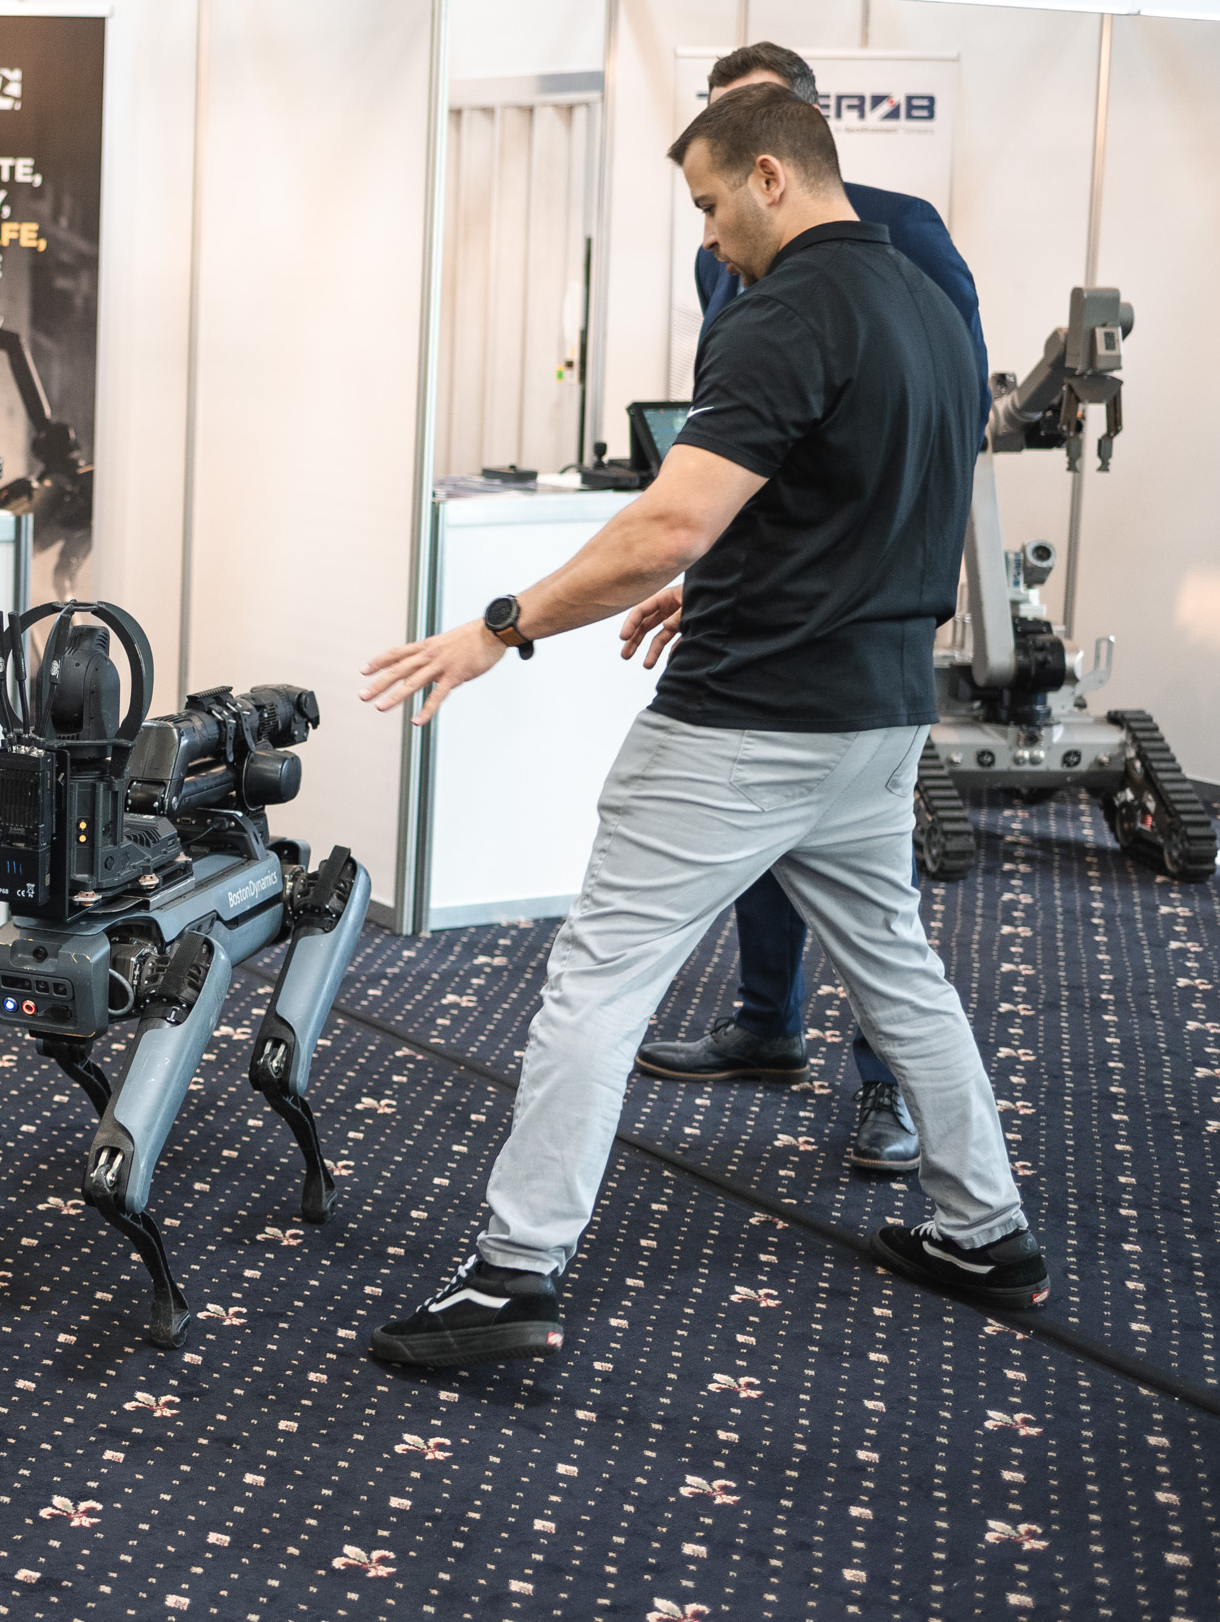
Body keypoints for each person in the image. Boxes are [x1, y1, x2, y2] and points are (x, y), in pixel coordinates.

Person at [356, 85, 1044, 1370]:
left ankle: (514, 1270)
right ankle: (986, 1226)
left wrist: (499, 626)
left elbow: (666, 522)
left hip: (745, 725)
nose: (711, 238)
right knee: (897, 969)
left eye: (713, 204)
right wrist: (731, 577)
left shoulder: (781, 314)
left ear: (772, 175)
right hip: (881, 714)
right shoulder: (929, 306)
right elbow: (869, 500)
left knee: (598, 981)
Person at [632, 40, 991, 1179]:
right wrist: (721, 572)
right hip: (761, 605)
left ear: (790, 138)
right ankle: (766, 1021)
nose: (720, 166)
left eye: (746, 124)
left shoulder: (902, 232)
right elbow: (742, 426)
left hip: (865, 614)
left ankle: (887, 1088)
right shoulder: (723, 252)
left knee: (877, 907)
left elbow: (945, 414)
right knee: (776, 842)